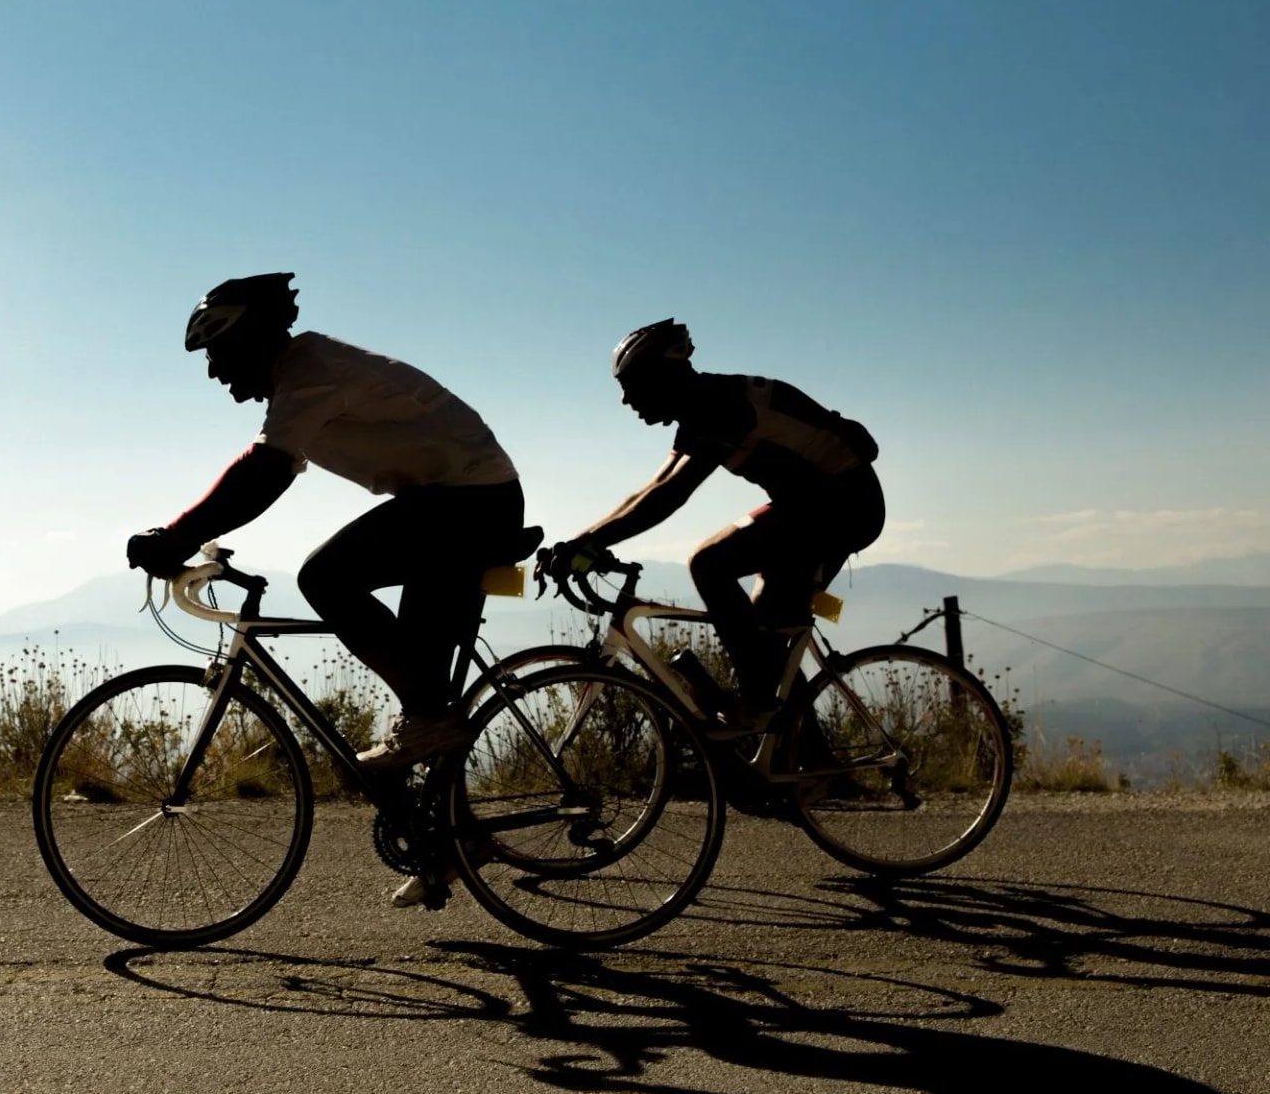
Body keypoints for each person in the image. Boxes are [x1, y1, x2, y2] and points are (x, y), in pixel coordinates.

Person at [126, 272, 527, 772]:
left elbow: (264, 471)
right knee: (423, 682)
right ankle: (448, 825)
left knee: (327, 578)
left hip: (468, 503)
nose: (213, 372)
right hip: (461, 503)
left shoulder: (312, 370)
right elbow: (265, 469)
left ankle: (430, 722)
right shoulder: (303, 378)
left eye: (217, 353)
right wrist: (185, 535)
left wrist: (176, 535)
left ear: (250, 340)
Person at [546, 318, 884, 730]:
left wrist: (591, 544)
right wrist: (582, 540)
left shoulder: (721, 406)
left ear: (663, 376)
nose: (624, 400)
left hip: (843, 507)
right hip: (809, 506)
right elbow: (652, 488)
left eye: (631, 384)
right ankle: (800, 762)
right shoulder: (701, 408)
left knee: (709, 564)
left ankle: (759, 708)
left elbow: (670, 496)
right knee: (764, 638)